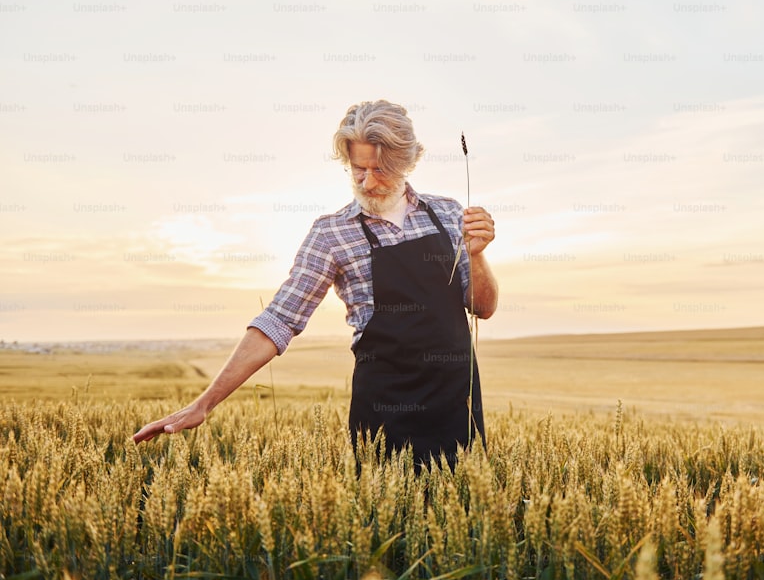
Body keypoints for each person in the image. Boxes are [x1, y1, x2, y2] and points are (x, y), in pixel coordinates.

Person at [132, 100, 499, 469]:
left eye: (380, 169)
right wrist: (204, 403)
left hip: (458, 403)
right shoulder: (331, 233)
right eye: (358, 169)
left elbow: (483, 307)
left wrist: (477, 255)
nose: (367, 182)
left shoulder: (449, 213)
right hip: (386, 412)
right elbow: (279, 321)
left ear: (407, 162)